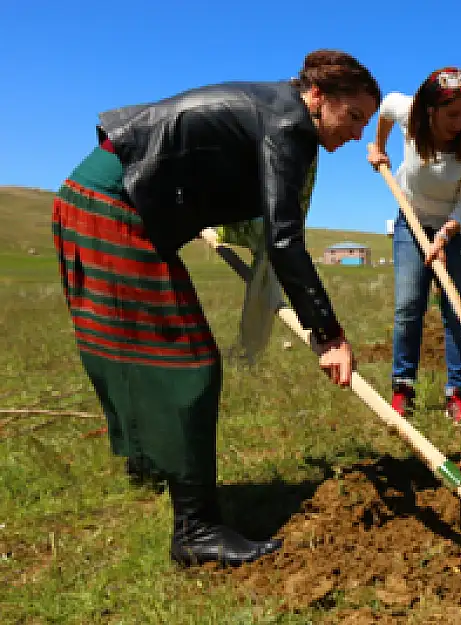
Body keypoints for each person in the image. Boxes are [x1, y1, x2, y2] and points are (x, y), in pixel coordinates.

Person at [52, 50, 379, 567]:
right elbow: (284, 236)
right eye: (354, 116)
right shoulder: (288, 122)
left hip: (99, 196)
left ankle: (152, 465)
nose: (358, 132)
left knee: (135, 349)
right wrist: (328, 333)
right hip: (112, 206)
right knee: (189, 363)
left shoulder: (274, 109)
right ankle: (195, 529)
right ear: (318, 97)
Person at [367, 67, 461, 425]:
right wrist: (379, 146)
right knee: (408, 306)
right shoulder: (411, 114)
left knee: (456, 309)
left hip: (460, 227)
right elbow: (387, 106)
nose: (460, 122)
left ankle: (458, 394)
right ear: (431, 110)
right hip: (411, 219)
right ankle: (403, 387)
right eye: (453, 114)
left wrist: (445, 235)